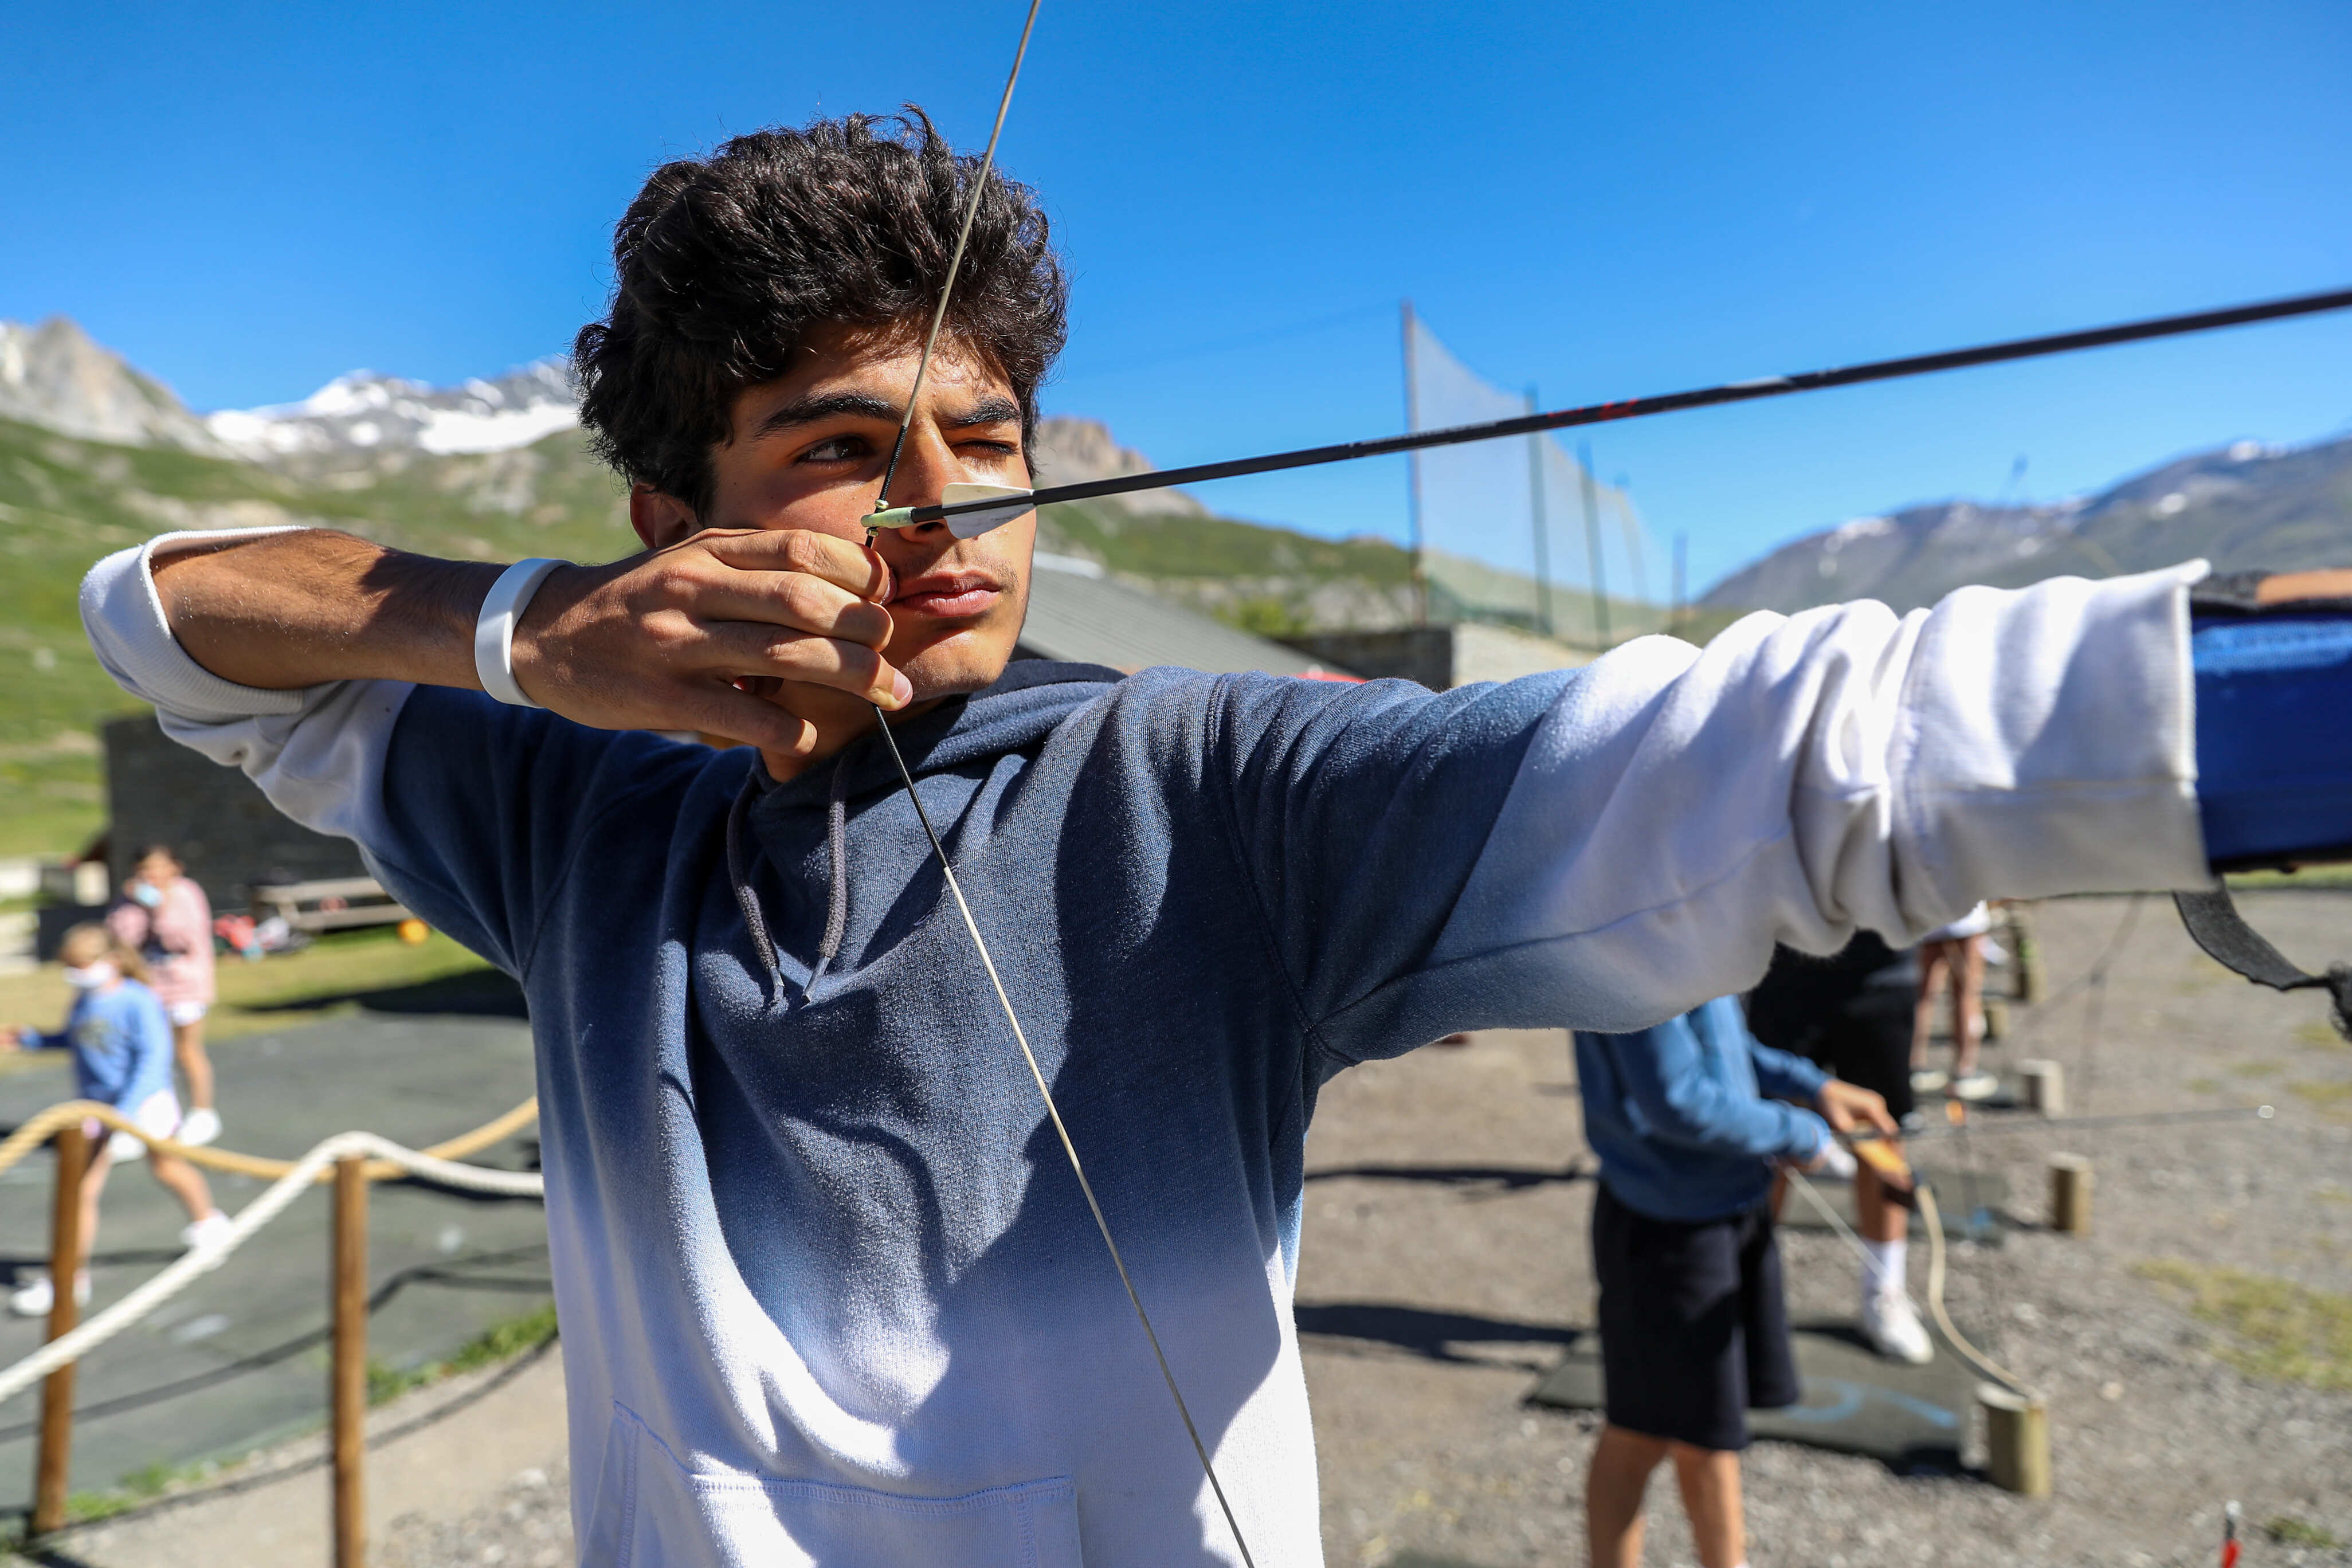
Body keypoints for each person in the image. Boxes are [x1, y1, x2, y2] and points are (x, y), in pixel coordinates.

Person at [72, 111, 2349, 1564]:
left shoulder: (1205, 790)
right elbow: (158, 622)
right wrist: (528, 630)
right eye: (849, 446)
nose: (954, 507)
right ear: (681, 516)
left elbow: (1794, 747)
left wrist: (2259, 695)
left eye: (992, 432)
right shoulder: (558, 789)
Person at [1575, 995, 1896, 1568]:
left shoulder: (1690, 926)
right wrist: (1800, 1132)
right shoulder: (1635, 946)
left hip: (1730, 1210)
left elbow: (1724, 1048)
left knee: (1711, 1428)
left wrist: (1811, 1084)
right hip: (1667, 1235)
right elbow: (1677, 1100)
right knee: (1638, 1435)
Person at [3, 926, 233, 1316]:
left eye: (82, 966)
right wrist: (29, 1039)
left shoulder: (138, 1001)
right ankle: (70, 1277)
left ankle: (209, 1223)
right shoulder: (85, 1000)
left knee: (168, 1167)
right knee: (80, 1190)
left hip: (142, 1106)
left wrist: (123, 1113)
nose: (76, 975)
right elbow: (77, 1039)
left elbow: (153, 1061)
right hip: (97, 1107)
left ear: (110, 960)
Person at [1746, 935, 1934, 1363]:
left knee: (1881, 1135)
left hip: (1882, 971)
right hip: (1782, 967)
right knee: (1765, 1142)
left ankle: (1884, 1289)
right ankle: (1744, 1292)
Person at [105, 843, 222, 1146]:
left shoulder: (187, 893)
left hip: (185, 986)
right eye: (144, 869)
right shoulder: (131, 900)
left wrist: (159, 907)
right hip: (148, 989)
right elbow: (121, 942)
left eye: (157, 867)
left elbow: (183, 939)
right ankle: (149, 1119)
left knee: (186, 1050)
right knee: (148, 1055)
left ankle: (202, 1113)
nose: (151, 874)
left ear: (174, 868)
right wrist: (136, 906)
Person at [1910, 903, 1996, 1100]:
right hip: (1965, 920)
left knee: (1923, 996)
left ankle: (1914, 1064)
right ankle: (1964, 1069)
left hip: (1927, 919)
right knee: (1967, 995)